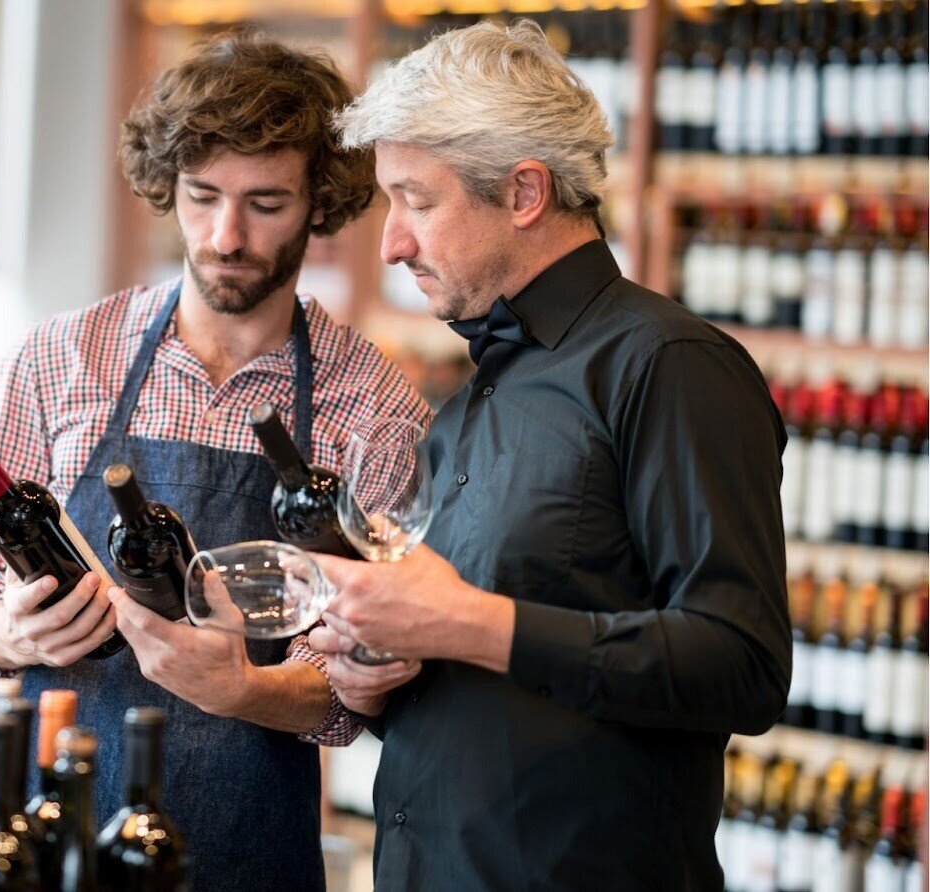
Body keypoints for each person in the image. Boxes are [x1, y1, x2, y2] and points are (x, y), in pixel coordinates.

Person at [0, 32, 428, 892]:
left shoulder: (377, 408)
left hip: (242, 858)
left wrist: (246, 691)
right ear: (169, 187)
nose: (226, 236)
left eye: (266, 204)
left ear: (321, 203)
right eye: (202, 197)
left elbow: (362, 681)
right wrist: (2, 629)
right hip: (45, 848)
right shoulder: (60, 360)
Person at [310, 20, 792, 891]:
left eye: (417, 199)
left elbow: (744, 665)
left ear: (525, 191)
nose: (391, 241)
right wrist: (381, 672)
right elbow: (490, 702)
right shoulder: (468, 403)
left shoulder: (669, 364)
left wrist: (471, 625)